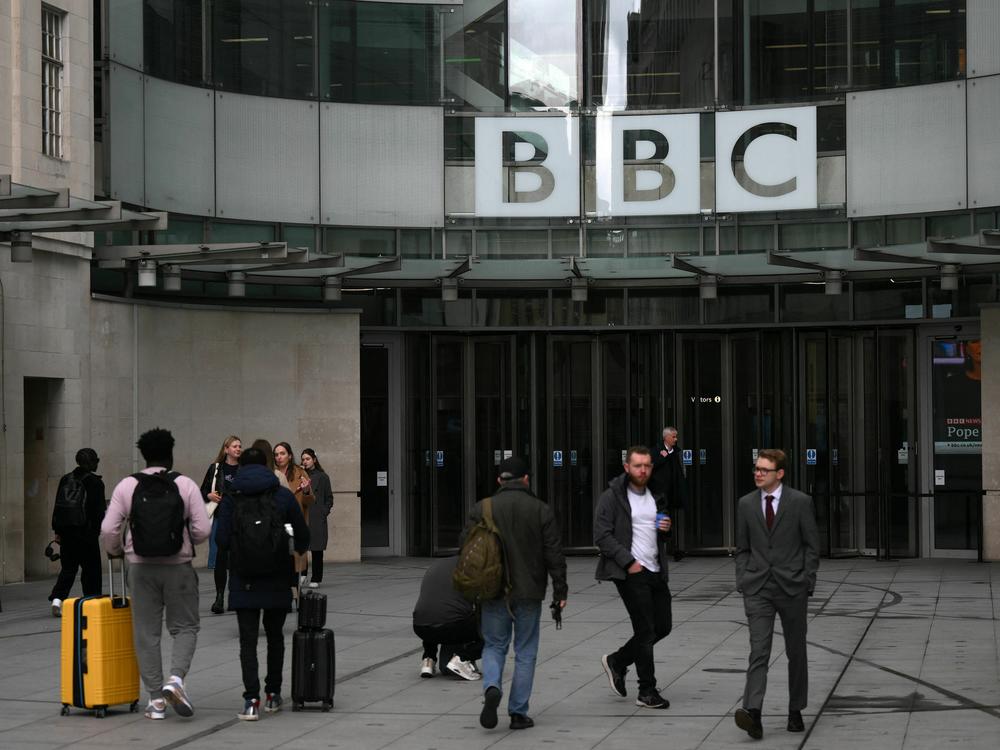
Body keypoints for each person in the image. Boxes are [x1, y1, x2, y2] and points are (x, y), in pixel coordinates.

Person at [100, 428, 211, 721]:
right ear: (170, 454)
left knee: (146, 633)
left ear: (144, 455)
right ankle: (175, 680)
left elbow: (108, 529)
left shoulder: (127, 486)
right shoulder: (184, 484)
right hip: (179, 566)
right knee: (185, 627)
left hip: (140, 567)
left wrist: (116, 550)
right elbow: (203, 530)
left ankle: (155, 702)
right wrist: (186, 539)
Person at [468, 456, 567, 731]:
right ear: (526, 479)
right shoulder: (540, 510)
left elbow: (467, 550)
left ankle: (491, 686)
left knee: (494, 645)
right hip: (529, 591)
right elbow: (554, 554)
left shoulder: (482, 508)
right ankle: (518, 713)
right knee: (525, 651)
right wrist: (561, 589)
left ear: (500, 480)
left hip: (493, 590)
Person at [215, 446, 309, 721]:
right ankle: (273, 694)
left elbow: (220, 541)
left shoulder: (232, 498)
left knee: (247, 642)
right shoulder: (281, 495)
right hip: (278, 576)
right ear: (268, 467)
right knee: (276, 637)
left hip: (244, 578)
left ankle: (251, 701)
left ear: (242, 467)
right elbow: (303, 536)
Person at [733, 448, 819, 740]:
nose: (757, 473)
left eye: (764, 470)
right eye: (756, 468)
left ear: (779, 474)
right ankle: (753, 712)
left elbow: (811, 545)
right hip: (757, 587)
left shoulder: (800, 502)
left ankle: (796, 709)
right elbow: (742, 547)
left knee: (796, 651)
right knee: (759, 650)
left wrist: (807, 579)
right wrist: (743, 578)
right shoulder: (745, 504)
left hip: (792, 586)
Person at [594, 446, 674, 710]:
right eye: (638, 465)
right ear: (627, 467)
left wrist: (665, 529)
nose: (643, 470)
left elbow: (657, 532)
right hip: (630, 572)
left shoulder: (655, 494)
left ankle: (617, 661)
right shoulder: (612, 497)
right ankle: (646, 690)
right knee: (646, 630)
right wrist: (628, 562)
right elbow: (602, 535)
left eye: (648, 465)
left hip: (654, 570)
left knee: (662, 626)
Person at [48, 448, 106, 617]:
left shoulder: (66, 479)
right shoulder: (95, 482)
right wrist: (96, 531)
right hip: (86, 533)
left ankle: (57, 600)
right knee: (91, 569)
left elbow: (58, 507)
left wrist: (58, 531)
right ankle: (92, 602)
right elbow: (98, 511)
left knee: (68, 568)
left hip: (66, 533)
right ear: (93, 462)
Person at [412, 557, 483, 681]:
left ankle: (428, 660)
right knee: (494, 630)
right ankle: (462, 659)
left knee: (434, 614)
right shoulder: (471, 568)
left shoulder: (438, 564)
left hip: (420, 626)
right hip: (451, 626)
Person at [200, 435, 241, 614]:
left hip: (239, 519)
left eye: (240, 446)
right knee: (220, 558)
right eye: (234, 446)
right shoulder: (216, 468)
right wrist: (209, 496)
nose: (238, 449)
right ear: (226, 449)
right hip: (220, 517)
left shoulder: (245, 468)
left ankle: (235, 597)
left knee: (237, 560)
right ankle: (219, 597)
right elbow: (202, 490)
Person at [650, 426, 688, 561]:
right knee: (662, 520)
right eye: (674, 436)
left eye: (676, 436)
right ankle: (660, 550)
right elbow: (651, 466)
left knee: (670, 519)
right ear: (666, 437)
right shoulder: (656, 451)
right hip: (660, 494)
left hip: (672, 492)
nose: (676, 439)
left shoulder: (675, 452)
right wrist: (662, 457)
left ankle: (672, 548)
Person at [301, 449, 332, 588]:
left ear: (314, 459)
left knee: (317, 548)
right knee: (301, 547)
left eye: (307, 459)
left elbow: (329, 498)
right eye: (303, 459)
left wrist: (323, 511)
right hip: (303, 513)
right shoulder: (299, 475)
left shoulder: (323, 477)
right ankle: (302, 574)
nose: (305, 461)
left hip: (317, 515)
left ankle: (316, 577)